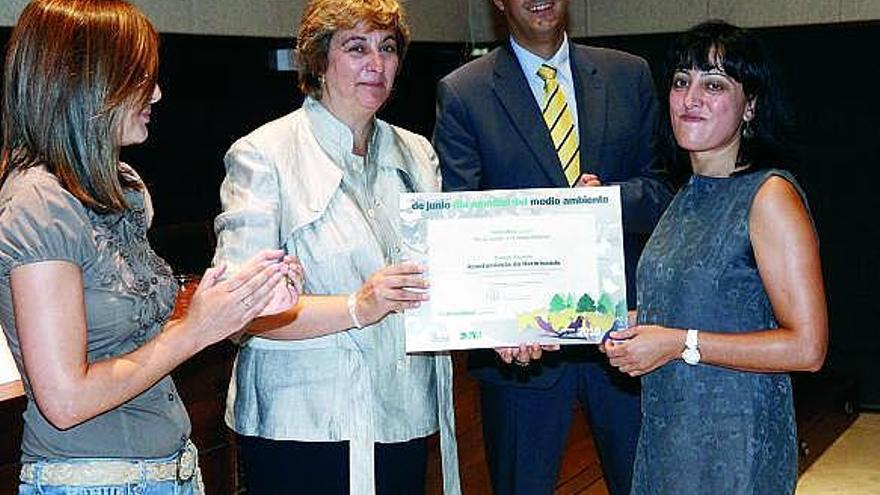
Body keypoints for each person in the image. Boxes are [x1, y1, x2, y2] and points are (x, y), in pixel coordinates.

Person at [0, 1, 301, 494]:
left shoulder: (122, 188)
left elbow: (139, 335)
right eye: (138, 77)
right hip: (94, 482)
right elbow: (65, 399)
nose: (156, 93)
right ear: (85, 83)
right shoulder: (39, 205)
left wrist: (242, 300)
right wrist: (196, 331)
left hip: (169, 471)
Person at [211, 0, 460, 494]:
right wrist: (357, 306)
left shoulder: (417, 152)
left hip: (403, 411)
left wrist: (503, 318)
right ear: (318, 61)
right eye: (356, 47)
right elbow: (237, 313)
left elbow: (445, 276)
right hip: (304, 426)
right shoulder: (264, 155)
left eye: (387, 48)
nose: (376, 63)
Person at [433, 1, 672, 493]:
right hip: (519, 351)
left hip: (625, 337)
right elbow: (456, 223)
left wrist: (609, 200)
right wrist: (496, 318)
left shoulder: (628, 75)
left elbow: (665, 192)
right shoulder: (464, 92)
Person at [603, 20, 827, 494]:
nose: (691, 98)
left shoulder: (769, 196)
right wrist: (633, 325)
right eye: (682, 81)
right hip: (670, 442)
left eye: (714, 84)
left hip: (735, 450)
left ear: (751, 107)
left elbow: (807, 348)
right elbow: (703, 307)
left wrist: (677, 342)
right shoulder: (684, 196)